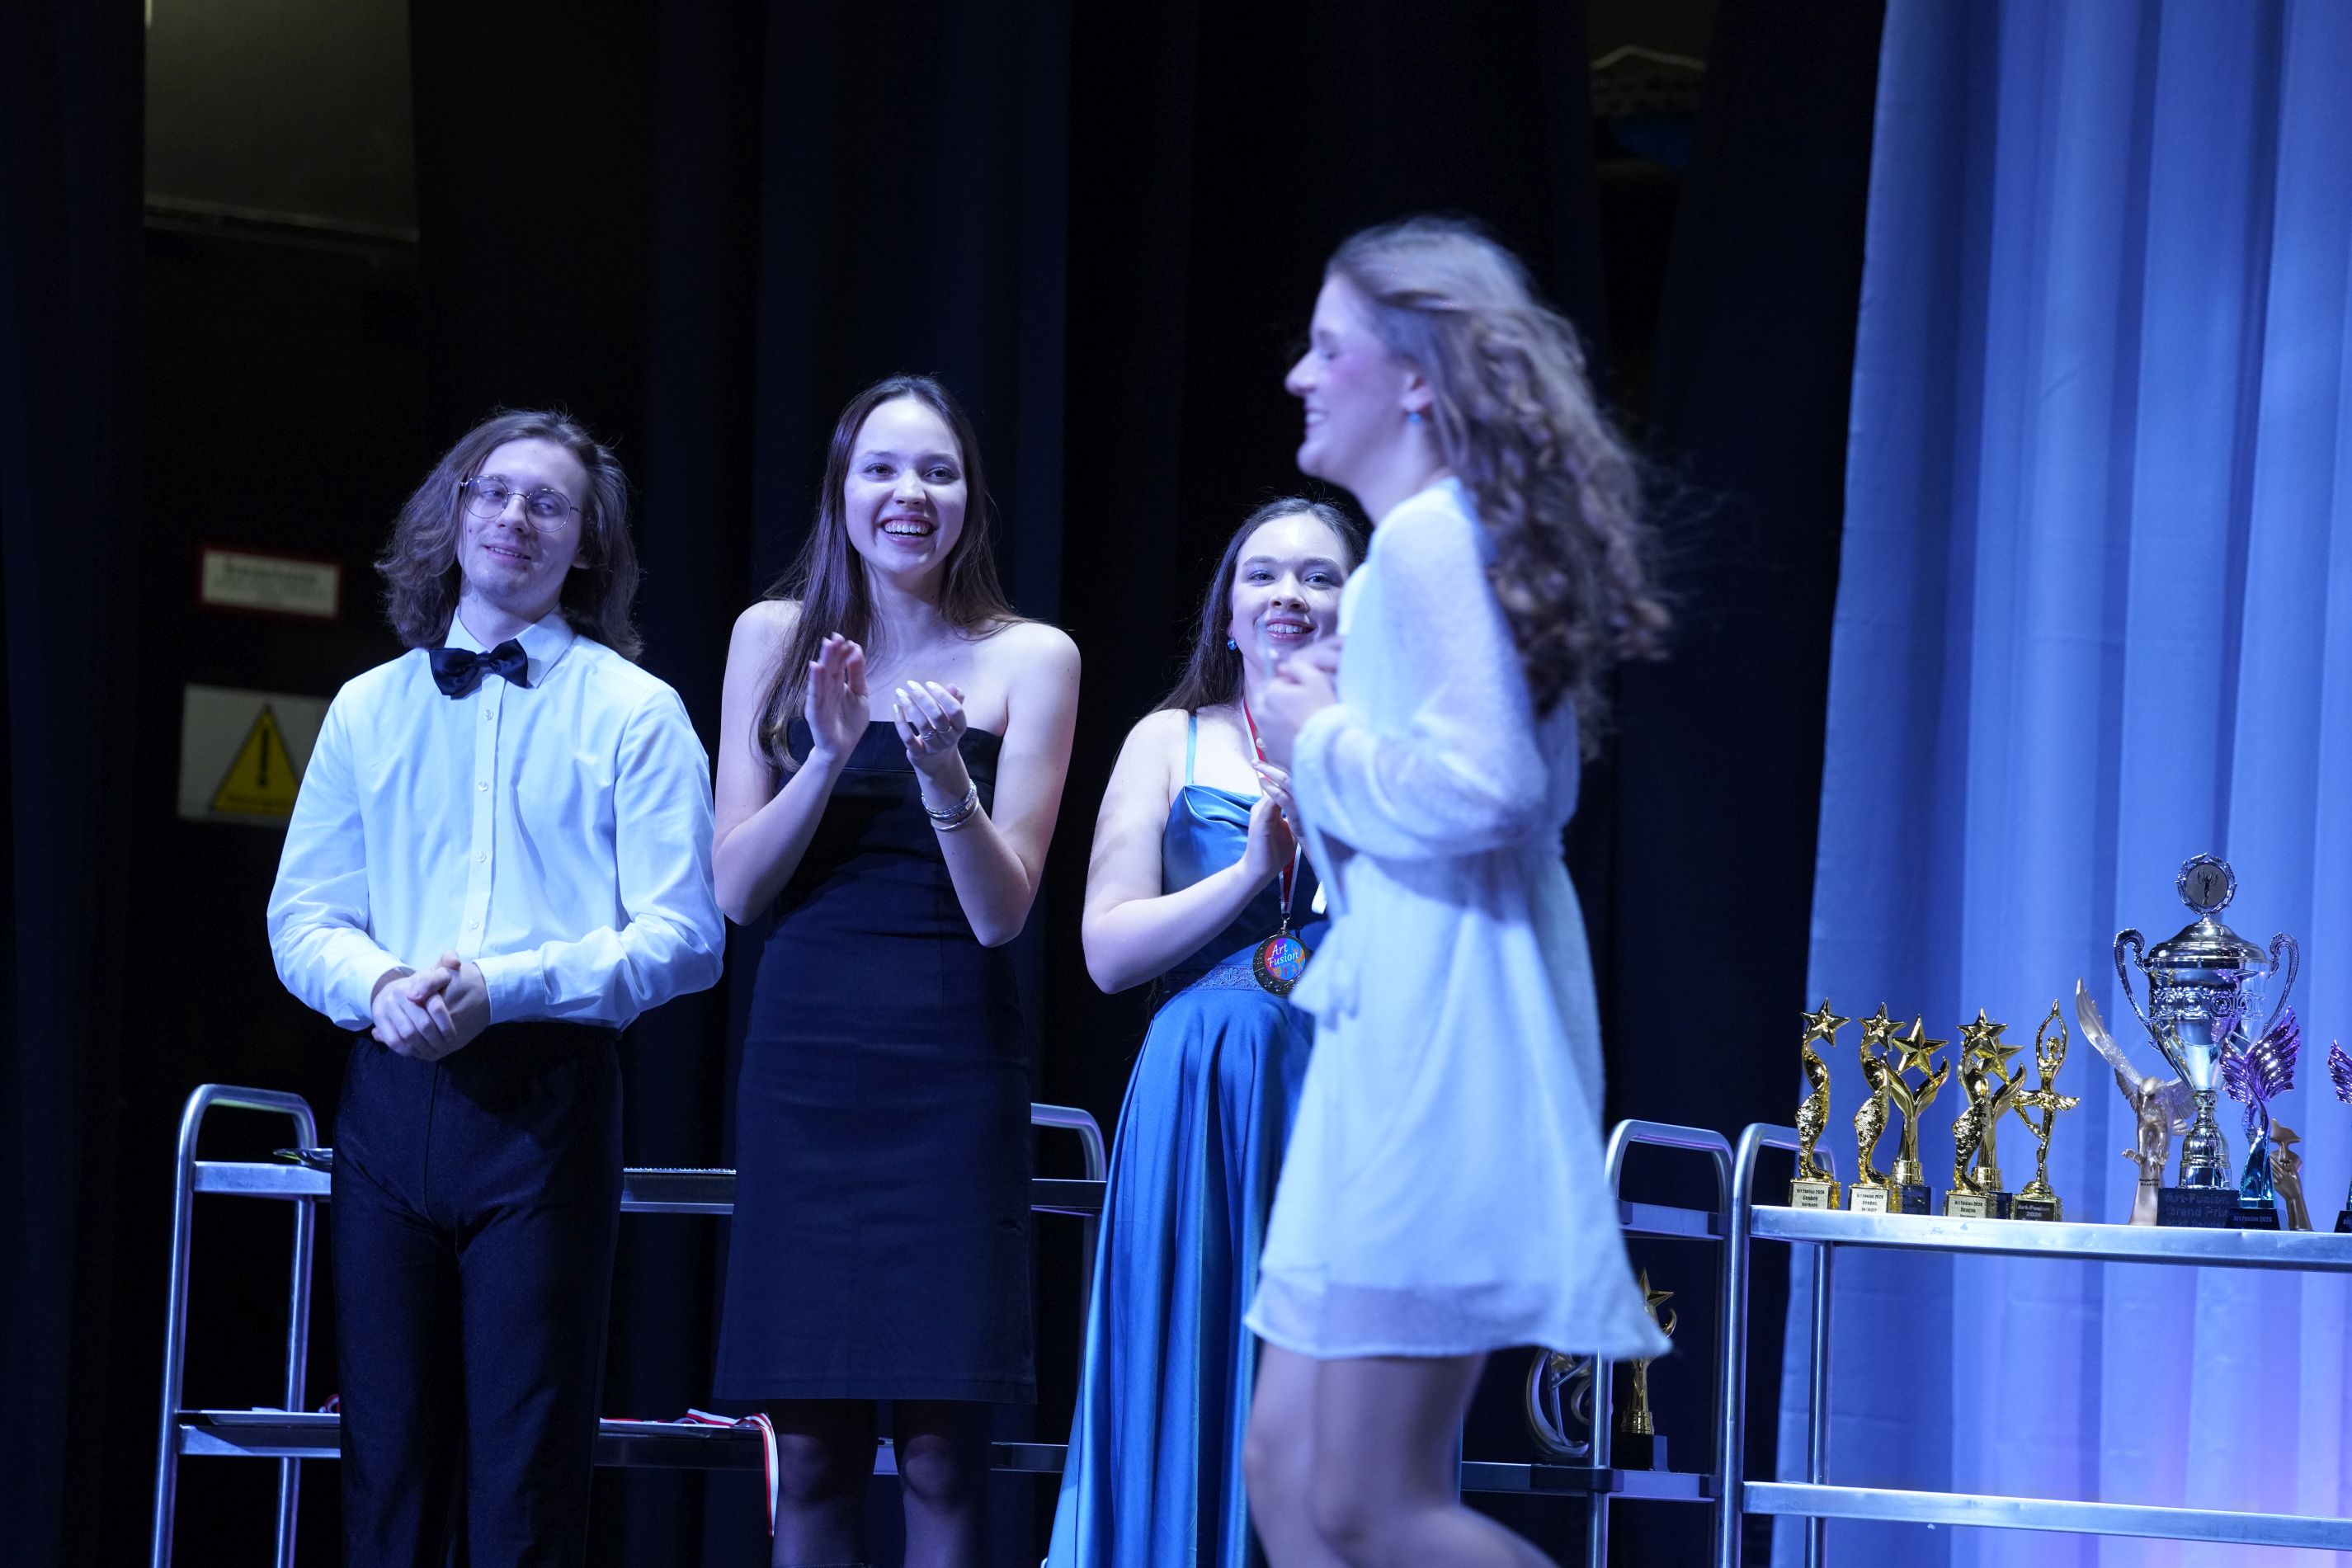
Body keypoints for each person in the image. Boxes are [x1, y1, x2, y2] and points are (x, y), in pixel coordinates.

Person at [1239, 217, 1676, 1568]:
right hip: (1391, 1014)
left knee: (1371, 1498)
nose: (1300, 376)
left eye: (1330, 349)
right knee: (1284, 1469)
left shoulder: (1434, 540)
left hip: (1442, 1028)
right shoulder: (1412, 553)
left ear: (1418, 377)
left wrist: (1318, 737)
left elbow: (1495, 792)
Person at [266, 409, 726, 1566]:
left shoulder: (635, 710)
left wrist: (505, 986)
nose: (515, 516)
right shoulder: (370, 706)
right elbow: (302, 915)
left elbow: (686, 935)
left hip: (545, 1105)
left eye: (548, 502)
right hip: (390, 1099)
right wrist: (382, 983)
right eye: (493, 491)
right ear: (454, 513)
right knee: (386, 1458)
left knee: (527, 1467)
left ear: (587, 545)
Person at [711, 374, 1080, 1567]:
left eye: (937, 471)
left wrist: (944, 778)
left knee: (941, 1459)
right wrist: (826, 757)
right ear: (842, 491)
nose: (908, 493)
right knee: (811, 1456)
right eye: (881, 468)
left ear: (970, 499)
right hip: (807, 1060)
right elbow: (737, 890)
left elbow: (1002, 913)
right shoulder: (771, 637)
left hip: (950, 1064)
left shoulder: (1032, 656)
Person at [1047, 498, 1364, 1568]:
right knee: (1195, 1362)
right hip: (1204, 1097)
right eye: (1262, 574)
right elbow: (1107, 951)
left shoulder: (1399, 754)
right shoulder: (1168, 739)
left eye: (1319, 576)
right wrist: (1248, 872)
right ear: (1228, 613)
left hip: (1346, 1095)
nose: (1289, 594)